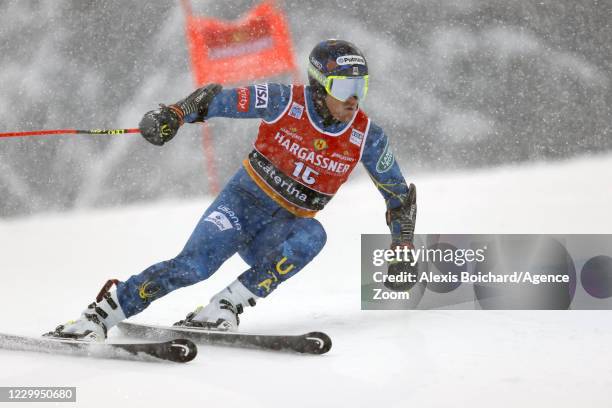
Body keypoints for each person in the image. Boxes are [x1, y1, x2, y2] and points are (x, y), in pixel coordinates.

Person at [46, 39, 417, 341]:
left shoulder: (366, 136)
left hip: (279, 229)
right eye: (344, 87)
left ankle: (225, 307)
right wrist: (173, 115)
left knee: (313, 235)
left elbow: (399, 199)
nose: (354, 99)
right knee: (193, 267)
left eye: (361, 87)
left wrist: (402, 246)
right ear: (319, 87)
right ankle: (99, 316)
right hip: (240, 208)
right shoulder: (284, 100)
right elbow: (213, 100)